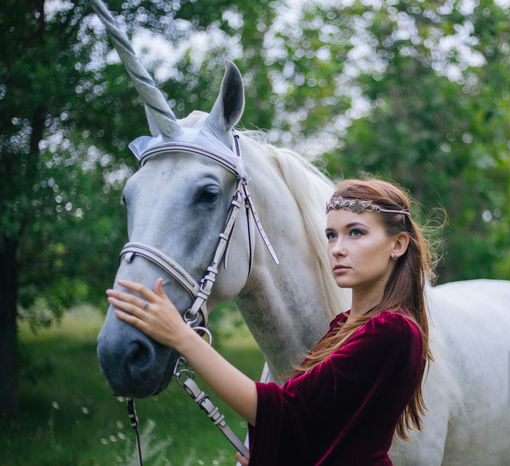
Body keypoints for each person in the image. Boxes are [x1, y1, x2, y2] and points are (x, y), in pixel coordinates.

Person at [107, 178, 435, 465]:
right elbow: (320, 428)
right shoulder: (346, 324)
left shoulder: (391, 330)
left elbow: (287, 411)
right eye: (332, 235)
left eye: (356, 233)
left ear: (398, 244)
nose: (337, 249)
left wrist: (183, 337)